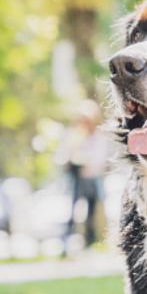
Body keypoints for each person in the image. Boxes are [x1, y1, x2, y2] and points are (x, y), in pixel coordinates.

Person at [57, 101, 113, 252]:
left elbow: (102, 158)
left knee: (93, 210)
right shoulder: (74, 135)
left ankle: (91, 241)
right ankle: (67, 243)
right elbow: (65, 154)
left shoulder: (99, 137)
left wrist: (91, 166)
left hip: (93, 178)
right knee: (72, 210)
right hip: (77, 177)